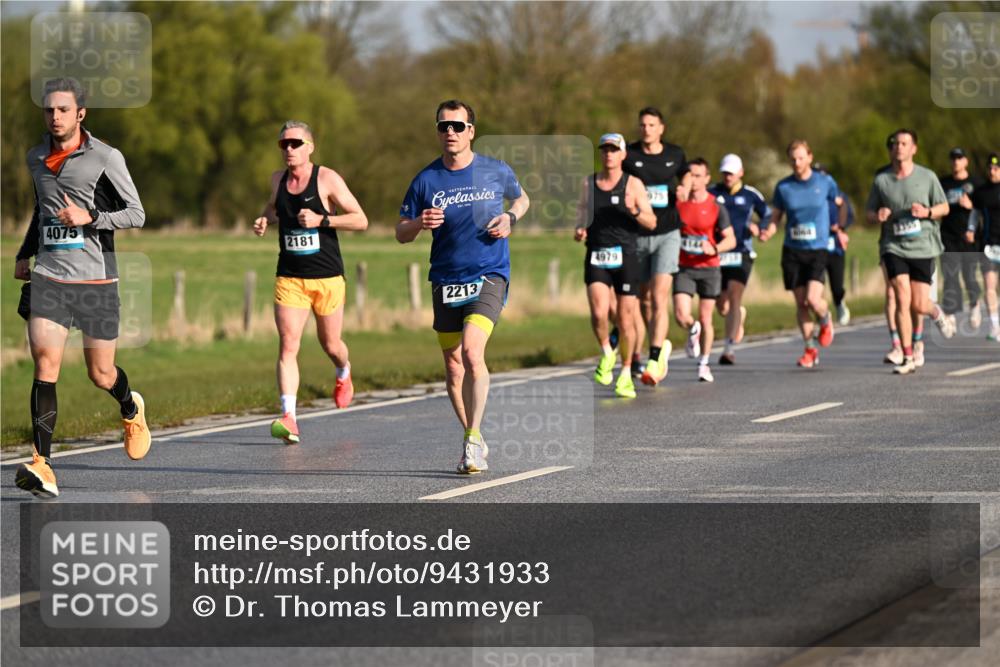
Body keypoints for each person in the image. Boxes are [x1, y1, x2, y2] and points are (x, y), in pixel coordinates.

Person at [13, 78, 149, 498]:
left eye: (63, 110)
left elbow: (136, 214)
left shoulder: (106, 157)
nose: (55, 117)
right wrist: (25, 250)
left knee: (100, 372)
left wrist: (91, 217)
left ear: (81, 114)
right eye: (49, 110)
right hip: (50, 274)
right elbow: (43, 209)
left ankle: (130, 407)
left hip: (96, 279)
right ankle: (43, 464)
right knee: (45, 362)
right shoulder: (36, 157)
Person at [396, 100, 529, 474]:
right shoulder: (426, 180)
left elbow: (522, 197)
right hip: (445, 278)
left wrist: (510, 217)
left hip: (489, 273)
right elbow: (400, 232)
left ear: (471, 130)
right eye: (443, 126)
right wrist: (419, 223)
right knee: (454, 367)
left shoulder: (494, 170)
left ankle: (471, 441)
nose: (450, 132)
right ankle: (475, 433)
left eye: (457, 125)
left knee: (472, 353)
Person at [253, 121, 368, 444]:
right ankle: (289, 417)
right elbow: (274, 208)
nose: (288, 149)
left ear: (309, 147)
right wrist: (265, 219)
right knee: (289, 344)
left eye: (295, 143)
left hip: (328, 277)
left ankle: (343, 371)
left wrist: (323, 220)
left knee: (331, 344)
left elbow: (361, 219)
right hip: (290, 277)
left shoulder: (327, 179)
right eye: (283, 145)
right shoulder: (277, 180)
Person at [865, 128, 955, 374]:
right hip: (893, 246)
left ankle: (937, 313)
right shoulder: (882, 179)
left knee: (919, 305)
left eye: (904, 143)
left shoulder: (927, 177)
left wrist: (926, 212)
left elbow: (944, 207)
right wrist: (878, 215)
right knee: (901, 298)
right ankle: (907, 356)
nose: (898, 147)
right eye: (895, 143)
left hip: (923, 246)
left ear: (913, 148)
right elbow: (869, 212)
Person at [575, 133, 656, 397]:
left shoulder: (633, 184)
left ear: (623, 155)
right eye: (605, 149)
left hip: (626, 256)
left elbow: (651, 222)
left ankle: (625, 371)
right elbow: (581, 215)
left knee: (624, 318)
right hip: (597, 253)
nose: (608, 154)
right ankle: (607, 352)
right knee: (599, 313)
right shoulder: (589, 183)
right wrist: (580, 229)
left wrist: (633, 210)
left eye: (614, 149)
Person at [760, 140, 844, 368]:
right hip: (792, 251)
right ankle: (809, 349)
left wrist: (841, 229)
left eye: (801, 158)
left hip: (817, 249)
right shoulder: (784, 187)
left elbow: (841, 204)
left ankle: (825, 319)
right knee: (801, 304)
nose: (797, 163)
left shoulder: (825, 182)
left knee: (813, 300)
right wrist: (768, 231)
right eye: (793, 159)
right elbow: (776, 215)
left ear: (809, 157)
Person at [621, 107, 686, 386]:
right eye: (642, 125)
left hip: (667, 232)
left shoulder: (675, 154)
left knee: (660, 298)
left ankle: (656, 357)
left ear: (661, 128)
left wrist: (685, 187)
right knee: (643, 301)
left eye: (651, 125)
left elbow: (688, 176)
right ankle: (647, 348)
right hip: (636, 234)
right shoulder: (629, 155)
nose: (646, 129)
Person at [675, 158, 736, 381]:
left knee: (706, 317)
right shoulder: (678, 203)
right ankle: (693, 330)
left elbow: (731, 239)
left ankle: (704, 364)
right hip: (685, 267)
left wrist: (714, 248)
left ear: (707, 179)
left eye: (699, 175)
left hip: (709, 268)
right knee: (682, 315)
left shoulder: (715, 206)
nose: (694, 180)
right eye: (690, 175)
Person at [708, 153, 770, 365]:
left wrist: (760, 229)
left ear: (741, 173)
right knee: (722, 306)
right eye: (725, 173)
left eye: (732, 173)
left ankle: (728, 349)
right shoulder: (712, 193)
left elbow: (768, 214)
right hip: (718, 252)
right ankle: (738, 315)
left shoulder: (751, 194)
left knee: (735, 296)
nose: (728, 177)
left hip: (741, 251)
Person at [939, 147, 984, 330]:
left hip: (969, 236)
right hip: (948, 234)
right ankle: (950, 314)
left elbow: (985, 208)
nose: (956, 161)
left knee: (969, 275)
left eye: (959, 158)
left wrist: (971, 204)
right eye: (953, 158)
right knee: (950, 274)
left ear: (966, 161)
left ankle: (974, 304)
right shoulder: (943, 183)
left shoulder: (976, 183)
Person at [813, 163, 855, 327]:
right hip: (816, 246)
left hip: (835, 246)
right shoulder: (811, 196)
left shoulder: (838, 195)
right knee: (817, 283)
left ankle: (839, 304)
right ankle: (823, 316)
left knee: (837, 285)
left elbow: (848, 214)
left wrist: (840, 226)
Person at [970, 152, 1000, 340]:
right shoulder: (980, 192)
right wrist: (971, 229)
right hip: (988, 245)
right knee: (989, 286)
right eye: (989, 168)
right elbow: (974, 214)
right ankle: (995, 326)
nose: (992, 171)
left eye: (996, 168)